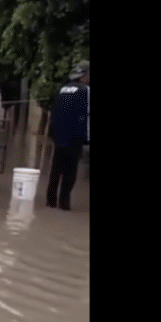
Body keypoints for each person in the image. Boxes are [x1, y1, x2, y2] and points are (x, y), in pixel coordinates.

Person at [46, 60, 90, 210]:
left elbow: (53, 114)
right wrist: (87, 139)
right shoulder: (85, 91)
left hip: (58, 138)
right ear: (85, 75)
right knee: (69, 173)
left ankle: (50, 202)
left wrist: (52, 135)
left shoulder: (62, 89)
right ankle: (63, 205)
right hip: (74, 139)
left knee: (55, 170)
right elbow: (86, 117)